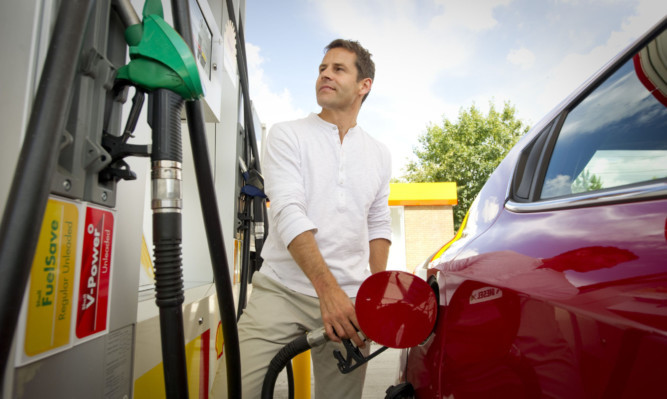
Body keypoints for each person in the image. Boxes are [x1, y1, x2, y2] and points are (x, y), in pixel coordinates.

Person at [216, 38, 392, 398]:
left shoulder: (378, 153)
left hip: (350, 296)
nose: (325, 74)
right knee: (231, 391)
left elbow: (378, 224)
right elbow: (287, 211)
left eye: (338, 69)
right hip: (283, 289)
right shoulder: (287, 134)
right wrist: (326, 291)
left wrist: (375, 299)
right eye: (322, 69)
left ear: (364, 85)